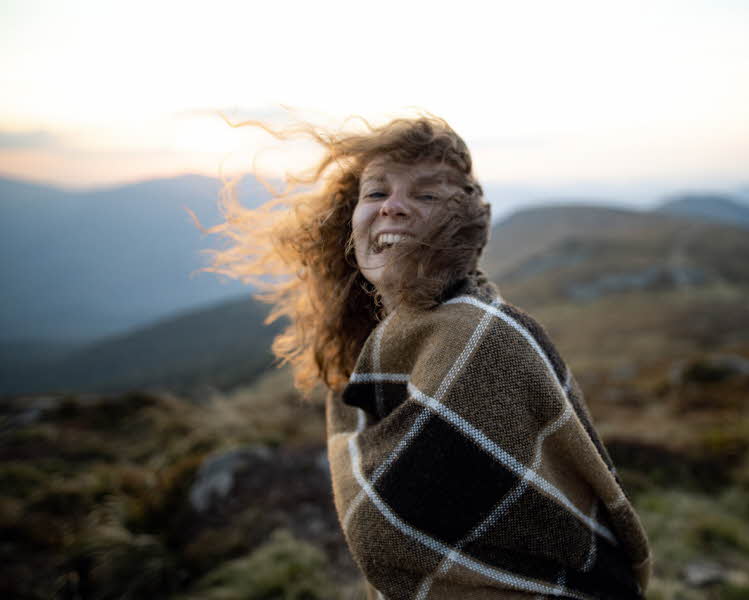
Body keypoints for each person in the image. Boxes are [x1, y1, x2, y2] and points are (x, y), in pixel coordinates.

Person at [205, 114, 651, 598]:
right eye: (376, 192)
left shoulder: (479, 341)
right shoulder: (379, 351)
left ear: (463, 223)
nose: (392, 207)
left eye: (426, 195)